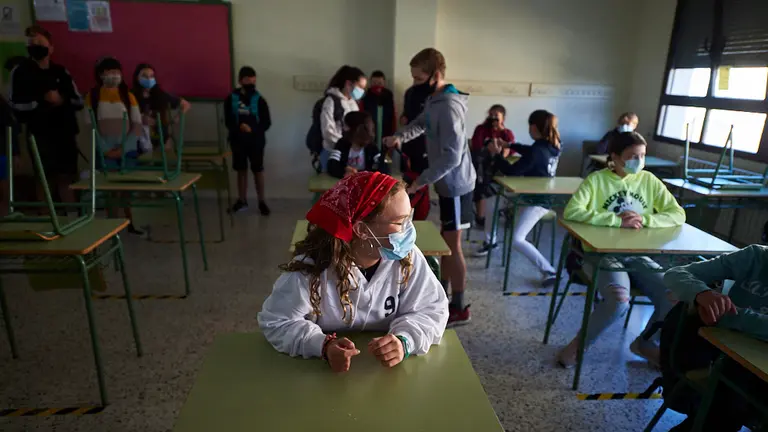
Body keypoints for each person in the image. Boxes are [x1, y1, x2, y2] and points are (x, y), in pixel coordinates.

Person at [258, 172, 448, 371]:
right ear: (362, 230)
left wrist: (404, 340)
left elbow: (432, 309)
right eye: (400, 223)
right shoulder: (312, 268)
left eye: (409, 218)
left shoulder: (407, 258)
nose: (408, 230)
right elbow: (277, 321)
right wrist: (322, 345)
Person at [558, 131, 686, 367]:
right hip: (602, 255)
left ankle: (646, 342)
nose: (639, 161)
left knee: (676, 296)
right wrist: (617, 220)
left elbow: (678, 214)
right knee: (619, 301)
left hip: (639, 255)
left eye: (642, 156)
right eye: (632, 156)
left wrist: (645, 220)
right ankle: (578, 346)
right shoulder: (596, 180)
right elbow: (572, 211)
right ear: (615, 157)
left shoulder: (648, 180)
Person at [384, 48, 476, 326]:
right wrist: (399, 137)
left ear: (436, 75)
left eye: (418, 78)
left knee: (453, 245)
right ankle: (443, 298)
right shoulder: (434, 100)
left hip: (457, 185)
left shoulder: (448, 105)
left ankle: (459, 306)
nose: (415, 84)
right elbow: (420, 124)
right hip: (445, 182)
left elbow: (452, 155)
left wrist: (419, 183)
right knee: (447, 243)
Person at [660, 245, 768, 431]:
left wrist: (728, 316)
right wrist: (702, 294)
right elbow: (675, 274)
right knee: (728, 405)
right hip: (727, 358)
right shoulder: (756, 256)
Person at [474, 111, 560, 285]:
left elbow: (511, 171)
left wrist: (497, 154)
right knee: (491, 204)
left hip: (537, 202)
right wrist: (510, 144)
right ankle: (491, 242)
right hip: (528, 195)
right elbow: (530, 150)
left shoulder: (538, 151)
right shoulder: (552, 145)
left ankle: (549, 270)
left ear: (533, 127)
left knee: (517, 239)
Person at [9, 25, 83, 208]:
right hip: (39, 134)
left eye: (40, 42)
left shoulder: (61, 71)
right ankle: (46, 222)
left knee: (67, 177)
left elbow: (78, 101)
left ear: (51, 47)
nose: (35, 46)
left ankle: (72, 218)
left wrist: (61, 100)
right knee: (44, 178)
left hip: (64, 132)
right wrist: (41, 100)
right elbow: (14, 104)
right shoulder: (21, 71)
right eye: (31, 43)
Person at [85, 56, 144, 235]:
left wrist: (123, 149)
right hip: (105, 151)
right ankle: (112, 227)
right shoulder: (93, 96)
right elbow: (90, 126)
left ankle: (130, 223)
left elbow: (137, 125)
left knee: (126, 188)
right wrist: (105, 150)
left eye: (117, 72)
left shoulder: (128, 95)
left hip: (127, 150)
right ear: (101, 74)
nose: (114, 75)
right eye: (109, 72)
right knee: (111, 190)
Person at [224, 66, 272, 215]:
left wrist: (253, 129)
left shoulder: (260, 100)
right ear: (240, 81)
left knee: (258, 170)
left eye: (253, 80)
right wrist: (239, 127)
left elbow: (266, 122)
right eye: (247, 80)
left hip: (256, 141)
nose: (251, 83)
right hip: (238, 140)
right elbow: (228, 120)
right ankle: (242, 200)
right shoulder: (231, 99)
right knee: (241, 170)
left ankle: (261, 201)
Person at [470, 104, 515, 229]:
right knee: (481, 183)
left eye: (496, 115)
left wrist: (499, 146)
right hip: (482, 166)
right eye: (491, 115)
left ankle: (507, 210)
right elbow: (476, 147)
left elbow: (510, 150)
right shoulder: (481, 129)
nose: (493, 117)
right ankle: (481, 217)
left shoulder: (506, 133)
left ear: (503, 118)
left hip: (499, 167)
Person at [131, 63, 191, 152]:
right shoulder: (130, 96)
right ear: (137, 77)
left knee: (166, 148)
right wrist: (140, 118)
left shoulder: (161, 95)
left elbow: (186, 104)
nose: (148, 79)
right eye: (144, 76)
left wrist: (177, 118)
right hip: (137, 139)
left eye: (151, 76)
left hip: (160, 138)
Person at [318, 66, 366, 172]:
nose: (362, 91)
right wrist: (343, 145)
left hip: (349, 153)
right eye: (360, 87)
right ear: (349, 83)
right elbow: (327, 131)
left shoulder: (353, 103)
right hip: (332, 152)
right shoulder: (331, 101)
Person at [327, 111, 388, 179]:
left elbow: (383, 168)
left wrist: (359, 174)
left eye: (345, 125)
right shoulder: (341, 143)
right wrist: (344, 170)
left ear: (355, 129)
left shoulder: (371, 146)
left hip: (364, 185)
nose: (343, 128)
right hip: (346, 184)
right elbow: (331, 166)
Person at [360, 70, 396, 141]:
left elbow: (393, 113)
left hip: (386, 129)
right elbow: (361, 111)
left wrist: (393, 129)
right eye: (374, 83)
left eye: (380, 83)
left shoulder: (388, 94)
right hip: (370, 129)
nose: (377, 85)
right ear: (370, 83)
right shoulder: (366, 95)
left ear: (384, 82)